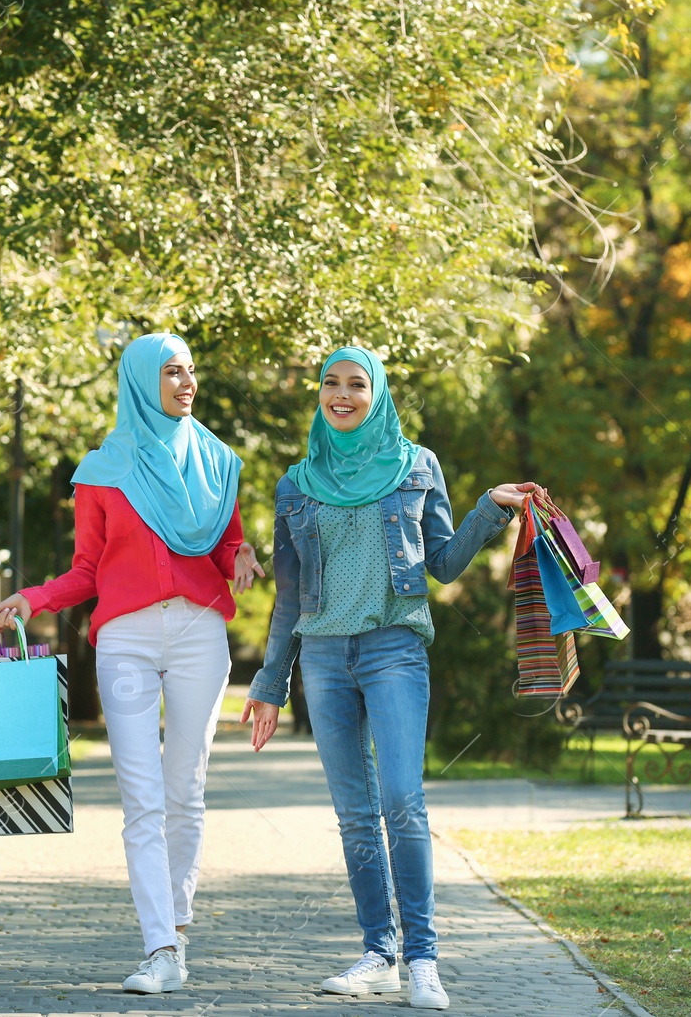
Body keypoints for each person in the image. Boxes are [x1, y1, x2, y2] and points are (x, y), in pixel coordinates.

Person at [241, 346, 536, 1011]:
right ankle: (379, 952)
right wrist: (268, 681)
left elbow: (444, 563)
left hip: (393, 648)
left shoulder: (416, 466)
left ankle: (424, 957)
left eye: (356, 385)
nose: (341, 395)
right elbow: (289, 596)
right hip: (321, 658)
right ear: (319, 393)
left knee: (402, 798)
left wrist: (491, 507)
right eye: (330, 384)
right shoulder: (296, 483)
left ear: (378, 395)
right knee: (354, 814)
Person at [0, 333, 265, 995]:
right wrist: (35, 596)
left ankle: (181, 927)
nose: (186, 382)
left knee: (185, 790)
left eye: (191, 370)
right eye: (172, 372)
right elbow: (88, 569)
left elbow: (225, 544)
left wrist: (243, 557)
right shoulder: (102, 470)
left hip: (201, 633)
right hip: (127, 639)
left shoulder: (218, 461)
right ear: (142, 380)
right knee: (142, 798)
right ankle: (160, 948)